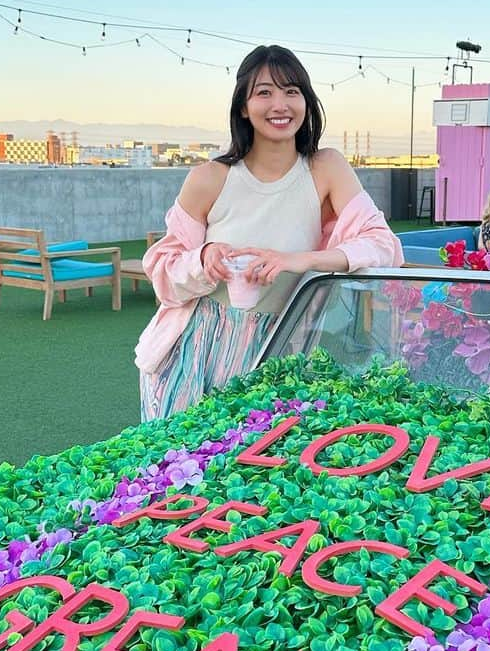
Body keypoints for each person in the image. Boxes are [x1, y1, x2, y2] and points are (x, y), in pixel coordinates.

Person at [134, 45, 402, 421]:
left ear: (307, 101)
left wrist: (297, 261)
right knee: (184, 468)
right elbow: (163, 272)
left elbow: (382, 245)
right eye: (264, 92)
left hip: (283, 343)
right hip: (198, 346)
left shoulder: (326, 168)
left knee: (261, 467)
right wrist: (203, 259)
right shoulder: (209, 178)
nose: (280, 104)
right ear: (243, 106)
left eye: (292, 91)